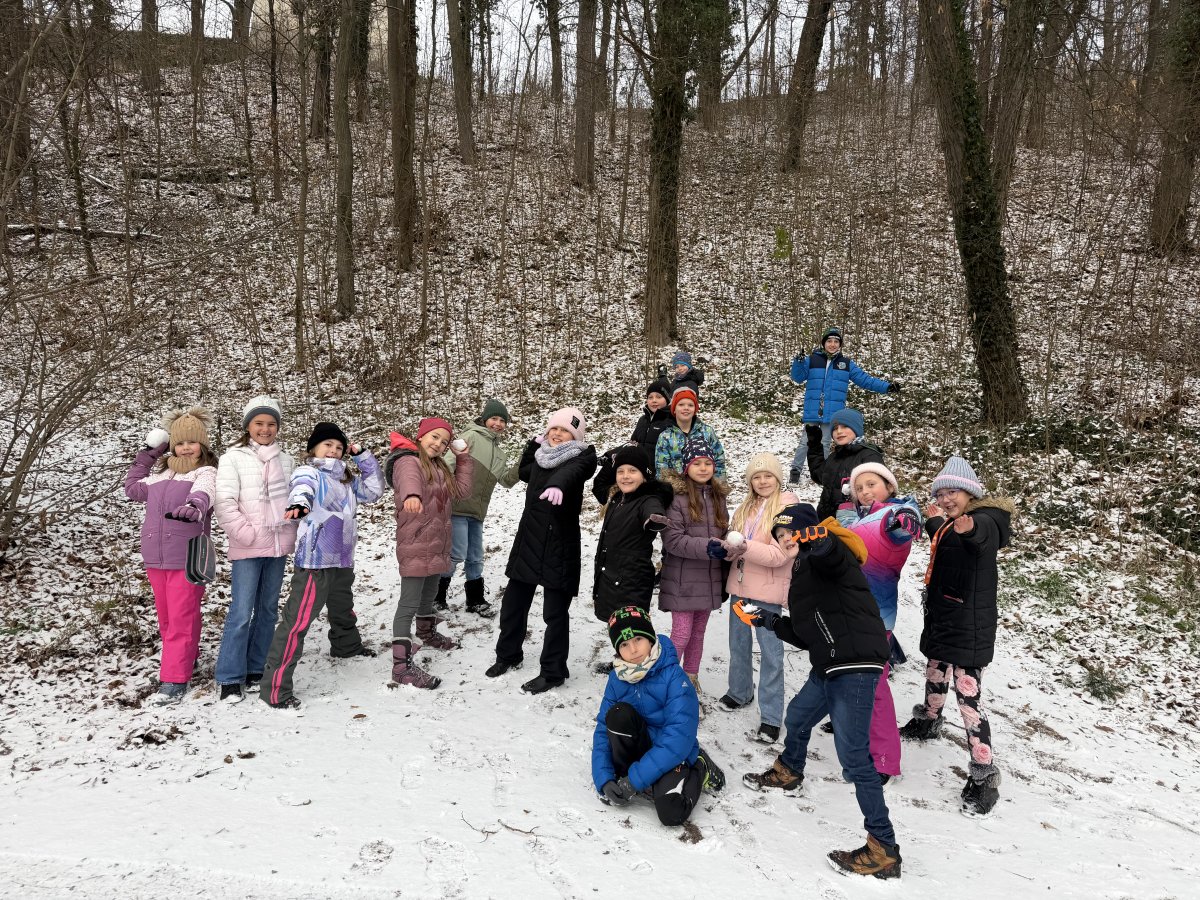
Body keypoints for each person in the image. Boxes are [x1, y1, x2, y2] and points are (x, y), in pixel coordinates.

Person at [740, 504, 901, 880]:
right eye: (779, 536)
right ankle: (789, 770)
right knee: (797, 717)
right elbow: (806, 634)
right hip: (829, 664)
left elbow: (833, 558)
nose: (785, 540)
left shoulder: (829, 554)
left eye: (790, 532)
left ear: (808, 531)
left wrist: (822, 541)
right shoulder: (801, 572)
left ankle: (883, 848)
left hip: (854, 666)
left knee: (855, 759)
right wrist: (768, 620)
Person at [900, 456, 1014, 818]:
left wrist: (970, 530)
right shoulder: (951, 523)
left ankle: (985, 774)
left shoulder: (984, 520)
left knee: (969, 701)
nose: (947, 499)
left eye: (953, 492)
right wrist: (934, 519)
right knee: (935, 670)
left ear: (970, 494)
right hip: (945, 616)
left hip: (968, 625)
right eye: (941, 493)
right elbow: (947, 537)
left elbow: (980, 539)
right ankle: (929, 720)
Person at [258, 423, 385, 710]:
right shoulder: (309, 472)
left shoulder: (347, 481)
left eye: (339, 447)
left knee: (342, 607)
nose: (334, 450)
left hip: (343, 558)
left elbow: (375, 490)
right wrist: (300, 504)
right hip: (315, 561)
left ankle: (346, 647)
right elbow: (302, 489)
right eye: (328, 444)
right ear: (313, 448)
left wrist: (363, 457)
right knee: (297, 622)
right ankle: (275, 689)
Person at [487, 408, 598, 694]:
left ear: (576, 436)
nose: (558, 434)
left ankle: (553, 671)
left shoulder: (582, 456)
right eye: (554, 429)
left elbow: (574, 472)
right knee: (513, 604)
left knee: (555, 613)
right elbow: (525, 471)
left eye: (565, 431)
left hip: (560, 544)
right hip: (529, 539)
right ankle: (508, 655)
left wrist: (558, 484)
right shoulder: (542, 455)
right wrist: (531, 446)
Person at [831, 462, 922, 783]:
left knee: (874, 686)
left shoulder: (892, 514)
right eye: (859, 488)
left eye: (872, 484)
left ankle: (884, 760)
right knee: (847, 678)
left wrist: (906, 520)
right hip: (847, 610)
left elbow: (902, 527)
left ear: (889, 487)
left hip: (874, 616)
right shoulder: (859, 517)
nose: (865, 491)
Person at [592, 606, 725, 826]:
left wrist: (634, 781)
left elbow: (678, 738)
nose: (633, 649)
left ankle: (701, 767)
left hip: (672, 753)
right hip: (640, 747)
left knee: (672, 812)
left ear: (650, 638)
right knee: (616, 715)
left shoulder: (674, 677)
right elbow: (602, 730)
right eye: (624, 644)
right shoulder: (617, 678)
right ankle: (641, 775)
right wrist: (604, 778)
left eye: (638, 639)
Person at [124, 408, 218, 706]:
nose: (186, 447)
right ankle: (186, 659)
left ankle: (175, 678)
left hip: (187, 557)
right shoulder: (159, 476)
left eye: (192, 442)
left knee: (181, 618)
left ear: (202, 445)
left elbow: (204, 493)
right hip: (155, 557)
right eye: (180, 442)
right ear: (171, 446)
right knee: (167, 618)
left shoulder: (206, 472)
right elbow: (131, 489)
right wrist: (148, 455)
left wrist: (195, 505)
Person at [213, 396, 298, 704]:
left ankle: (255, 667)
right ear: (248, 426)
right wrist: (245, 534)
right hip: (248, 545)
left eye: (271, 424)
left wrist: (291, 530)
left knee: (268, 610)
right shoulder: (233, 458)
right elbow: (224, 502)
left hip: (277, 544)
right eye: (259, 423)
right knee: (241, 612)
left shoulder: (286, 460)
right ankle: (229, 676)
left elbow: (295, 499)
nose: (265, 429)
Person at [386, 418, 474, 689]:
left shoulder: (439, 465)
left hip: (437, 542)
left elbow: (462, 492)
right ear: (421, 436)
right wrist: (411, 495)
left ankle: (426, 633)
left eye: (444, 441)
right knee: (409, 602)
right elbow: (408, 480)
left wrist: (463, 459)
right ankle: (401, 667)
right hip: (416, 542)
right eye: (434, 437)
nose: (438, 444)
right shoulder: (407, 460)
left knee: (429, 593)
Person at [719, 452, 799, 743]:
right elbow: (738, 547)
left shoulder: (788, 508)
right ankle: (740, 692)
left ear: (777, 478)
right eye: (756, 477)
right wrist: (726, 549)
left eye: (768, 476)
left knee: (771, 655)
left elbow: (780, 555)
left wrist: (744, 546)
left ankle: (771, 717)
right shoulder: (745, 507)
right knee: (738, 645)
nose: (763, 481)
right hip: (741, 589)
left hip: (766, 593)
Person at [658, 435, 731, 704]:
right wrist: (708, 546)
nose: (703, 468)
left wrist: (731, 543)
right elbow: (673, 540)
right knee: (681, 633)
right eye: (697, 463)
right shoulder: (676, 499)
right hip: (683, 579)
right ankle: (665, 681)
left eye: (707, 463)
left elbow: (724, 531)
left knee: (699, 633)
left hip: (709, 578)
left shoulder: (718, 497)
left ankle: (690, 677)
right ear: (686, 466)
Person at [435, 399, 520, 617]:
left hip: (477, 512)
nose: (498, 423)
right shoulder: (470, 436)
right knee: (456, 553)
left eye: (502, 420)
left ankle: (475, 600)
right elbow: (447, 465)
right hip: (457, 507)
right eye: (494, 418)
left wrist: (524, 462)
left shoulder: (500, 454)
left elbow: (506, 480)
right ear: (484, 419)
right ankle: (435, 596)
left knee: (475, 556)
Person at [788, 327, 898, 483]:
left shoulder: (845, 364)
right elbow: (797, 377)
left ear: (840, 344)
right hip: (813, 408)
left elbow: (865, 380)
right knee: (806, 441)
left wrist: (887, 387)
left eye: (836, 341)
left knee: (825, 442)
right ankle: (795, 470)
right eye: (829, 341)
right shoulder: (812, 360)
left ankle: (821, 471)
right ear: (823, 343)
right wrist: (798, 362)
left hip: (832, 412)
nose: (832, 344)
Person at [591, 446, 671, 624]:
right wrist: (612, 456)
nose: (625, 476)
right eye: (620, 471)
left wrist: (654, 518)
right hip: (609, 581)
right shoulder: (617, 498)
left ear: (645, 475)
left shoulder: (648, 499)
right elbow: (598, 484)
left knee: (634, 634)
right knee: (617, 633)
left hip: (632, 585)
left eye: (632, 471)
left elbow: (653, 509)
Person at [806, 407, 884, 522]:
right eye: (835, 428)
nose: (839, 431)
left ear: (856, 429)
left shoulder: (869, 456)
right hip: (826, 521)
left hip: (854, 523)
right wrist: (814, 445)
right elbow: (818, 475)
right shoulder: (835, 456)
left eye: (845, 426)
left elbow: (878, 494)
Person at [653, 384, 726, 477]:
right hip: (676, 485)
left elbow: (719, 461)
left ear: (695, 409)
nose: (686, 408)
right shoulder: (665, 436)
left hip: (704, 483)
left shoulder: (707, 432)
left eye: (690, 405)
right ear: (674, 409)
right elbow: (662, 469)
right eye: (681, 405)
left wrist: (718, 483)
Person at [630, 380, 675, 472]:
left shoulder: (671, 420)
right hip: (640, 470)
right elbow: (632, 444)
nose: (654, 400)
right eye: (650, 397)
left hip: (660, 473)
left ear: (667, 399)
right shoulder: (642, 420)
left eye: (659, 397)